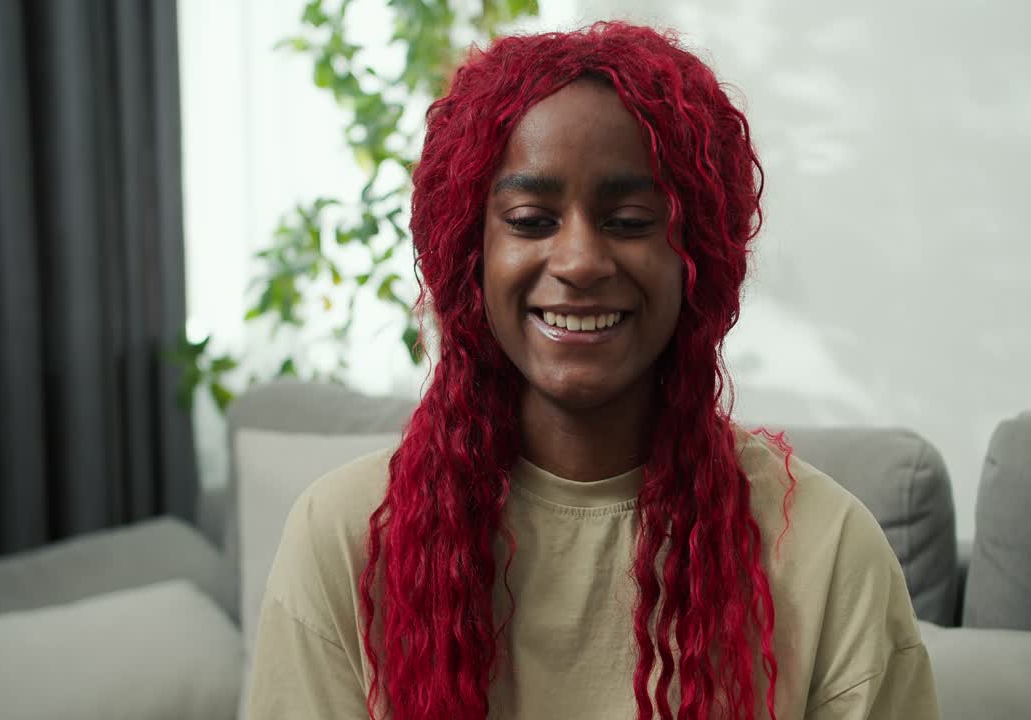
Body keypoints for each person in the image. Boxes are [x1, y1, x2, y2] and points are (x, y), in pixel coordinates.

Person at [247, 21, 939, 720]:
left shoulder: (827, 551)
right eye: (529, 219)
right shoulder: (347, 539)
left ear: (696, 257)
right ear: (469, 253)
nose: (578, 261)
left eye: (631, 220)